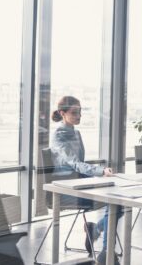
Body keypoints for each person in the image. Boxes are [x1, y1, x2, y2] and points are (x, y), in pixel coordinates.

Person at [49, 96, 117, 262]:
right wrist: (100, 171)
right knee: (115, 201)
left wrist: (98, 174)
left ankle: (98, 234)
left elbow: (80, 165)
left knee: (119, 200)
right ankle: (106, 252)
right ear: (62, 113)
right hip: (66, 189)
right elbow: (75, 164)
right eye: (74, 112)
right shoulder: (59, 135)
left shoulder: (76, 132)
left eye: (80, 112)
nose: (79, 116)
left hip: (79, 183)